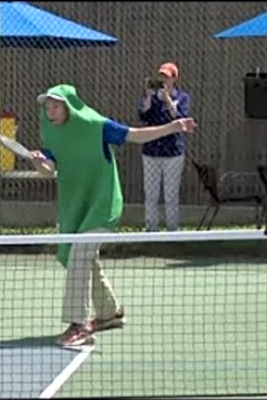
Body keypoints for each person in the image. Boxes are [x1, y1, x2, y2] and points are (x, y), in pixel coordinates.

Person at [32, 84, 196, 346]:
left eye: (55, 105)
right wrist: (41, 163)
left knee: (80, 252)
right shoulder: (50, 132)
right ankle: (109, 313)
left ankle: (78, 324)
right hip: (75, 206)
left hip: (103, 204)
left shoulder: (98, 126)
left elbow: (135, 135)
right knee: (83, 258)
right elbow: (49, 169)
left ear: (70, 105)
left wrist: (173, 127)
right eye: (47, 106)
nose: (50, 111)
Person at [139, 62, 191, 232]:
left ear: (174, 79)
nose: (163, 80)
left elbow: (181, 118)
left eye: (166, 77)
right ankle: (151, 229)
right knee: (151, 194)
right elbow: (143, 115)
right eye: (161, 76)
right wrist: (148, 96)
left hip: (173, 152)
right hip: (151, 151)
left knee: (170, 194)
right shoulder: (152, 98)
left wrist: (168, 100)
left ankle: (172, 230)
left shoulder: (182, 97)